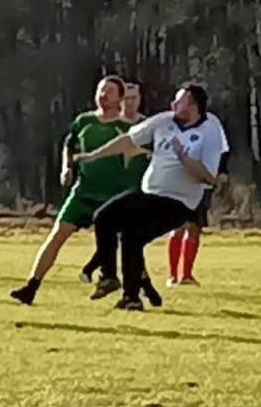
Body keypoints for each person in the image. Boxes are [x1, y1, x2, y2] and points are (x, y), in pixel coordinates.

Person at [74, 84, 223, 310]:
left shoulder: (209, 131)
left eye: (179, 101)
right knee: (122, 232)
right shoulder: (164, 120)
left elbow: (209, 178)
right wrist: (94, 155)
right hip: (151, 195)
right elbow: (129, 140)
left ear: (193, 106)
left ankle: (114, 279)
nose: (173, 105)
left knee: (109, 219)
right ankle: (130, 295)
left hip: (178, 204)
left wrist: (185, 159)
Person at [9, 77, 129, 305]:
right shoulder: (83, 122)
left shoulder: (126, 128)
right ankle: (31, 287)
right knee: (57, 235)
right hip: (83, 192)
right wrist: (67, 168)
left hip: (112, 195)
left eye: (110, 91)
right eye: (100, 89)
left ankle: (130, 292)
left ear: (120, 98)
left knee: (123, 243)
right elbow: (69, 146)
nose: (103, 94)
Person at [81, 81, 150, 283]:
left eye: (133, 98)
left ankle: (99, 270)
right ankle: (134, 283)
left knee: (129, 237)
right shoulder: (110, 127)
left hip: (140, 187)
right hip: (115, 188)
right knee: (117, 232)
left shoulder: (147, 126)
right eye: (126, 98)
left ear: (140, 100)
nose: (129, 103)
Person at [167, 112, 230, 286]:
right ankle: (172, 276)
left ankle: (186, 275)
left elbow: (221, 150)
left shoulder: (211, 124)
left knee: (194, 227)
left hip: (201, 183)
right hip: (178, 183)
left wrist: (222, 171)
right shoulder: (173, 124)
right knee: (178, 225)